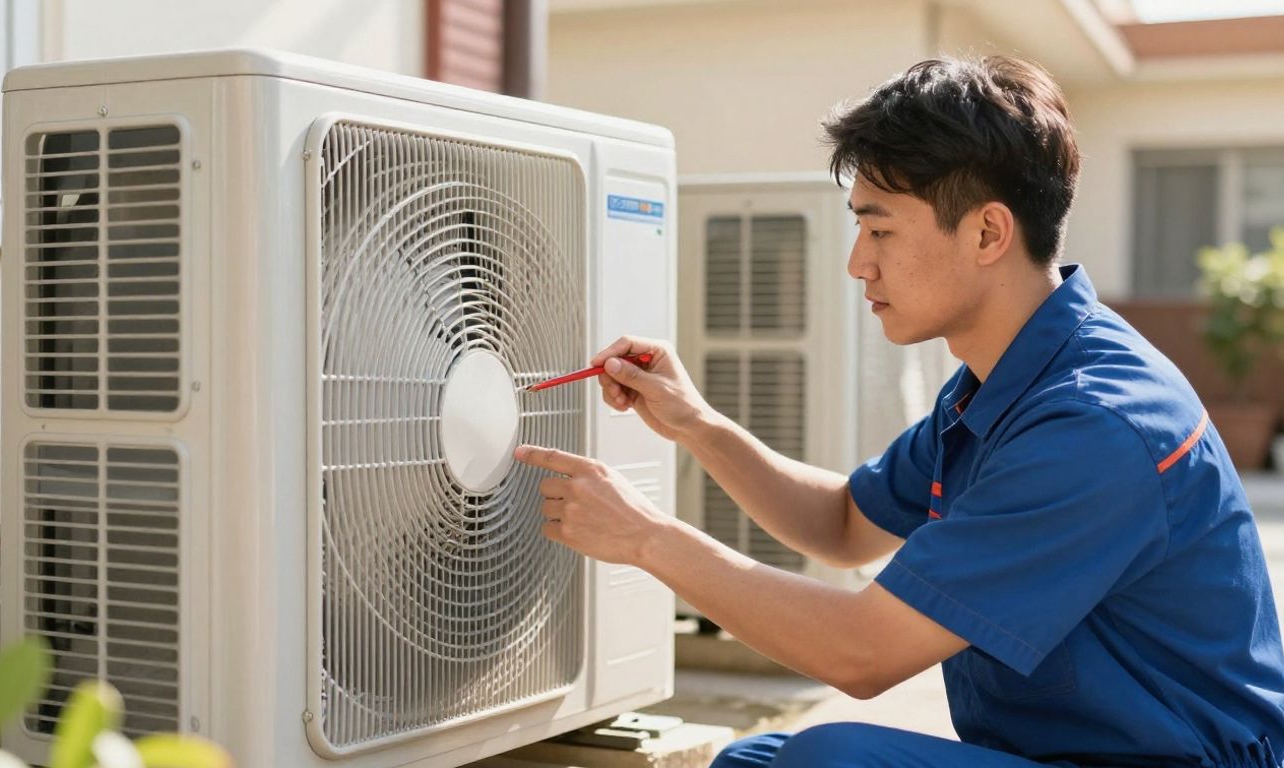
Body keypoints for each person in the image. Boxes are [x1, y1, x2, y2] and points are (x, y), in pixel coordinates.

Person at [512, 55, 1284, 767]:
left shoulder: (1095, 426)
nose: (858, 262)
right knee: (754, 760)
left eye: (879, 227)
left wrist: (646, 539)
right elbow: (845, 526)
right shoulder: (1006, 377)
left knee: (827, 760)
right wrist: (695, 424)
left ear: (987, 232)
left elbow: (862, 655)